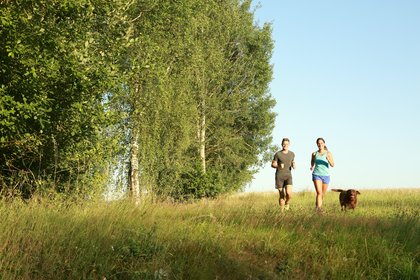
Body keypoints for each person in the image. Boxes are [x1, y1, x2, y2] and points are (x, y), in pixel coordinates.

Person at [310, 137, 335, 212]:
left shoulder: (328, 153)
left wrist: (328, 159)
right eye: (318, 143)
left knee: (322, 195)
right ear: (317, 144)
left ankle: (317, 207)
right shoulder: (314, 153)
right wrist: (312, 166)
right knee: (319, 193)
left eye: (321, 143)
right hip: (316, 174)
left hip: (326, 176)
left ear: (324, 144)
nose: (320, 144)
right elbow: (312, 162)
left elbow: (332, 165)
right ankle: (319, 210)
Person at [271, 138, 295, 211]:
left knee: (289, 194)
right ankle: (281, 212)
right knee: (281, 195)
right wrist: (278, 166)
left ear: (289, 145)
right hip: (279, 176)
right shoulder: (278, 154)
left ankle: (287, 203)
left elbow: (292, 163)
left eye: (287, 144)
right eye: (284, 144)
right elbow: (273, 164)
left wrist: (293, 165)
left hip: (288, 176)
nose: (285, 145)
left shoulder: (292, 154)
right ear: (282, 144)